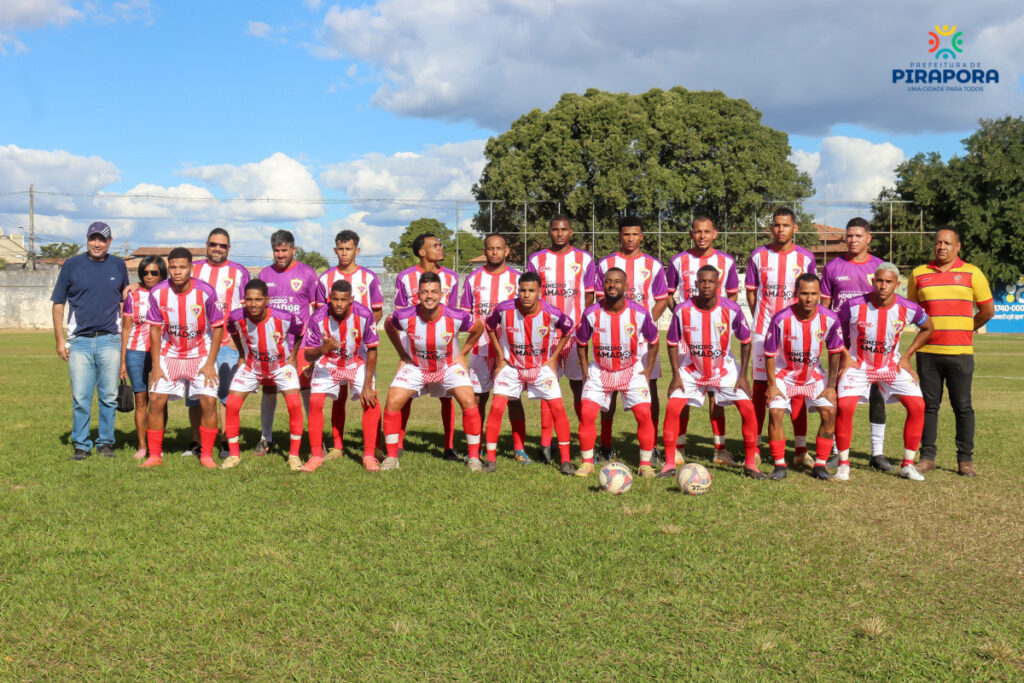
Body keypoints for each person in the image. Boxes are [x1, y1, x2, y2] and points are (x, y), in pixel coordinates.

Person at [907, 226, 994, 477]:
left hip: (960, 353)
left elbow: (987, 311)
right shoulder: (919, 274)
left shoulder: (972, 273)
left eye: (947, 243)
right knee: (928, 406)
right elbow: (913, 310)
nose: (941, 247)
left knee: (963, 406)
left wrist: (967, 328)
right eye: (937, 242)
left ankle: (965, 460)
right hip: (928, 352)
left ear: (958, 247)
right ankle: (927, 456)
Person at [834, 263, 934, 481]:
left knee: (918, 405)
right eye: (879, 280)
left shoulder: (909, 308)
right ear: (873, 281)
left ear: (897, 284)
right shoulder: (852, 305)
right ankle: (843, 465)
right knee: (845, 406)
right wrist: (845, 355)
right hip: (859, 366)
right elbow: (833, 330)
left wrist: (907, 357)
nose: (883, 285)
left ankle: (907, 465)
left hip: (891, 366)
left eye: (889, 282)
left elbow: (929, 328)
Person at [661, 266, 763, 480]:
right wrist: (676, 375)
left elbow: (745, 342)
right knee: (673, 406)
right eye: (702, 282)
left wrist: (743, 375)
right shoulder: (682, 310)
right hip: (692, 370)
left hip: (723, 369)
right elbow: (671, 343)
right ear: (696, 284)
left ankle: (751, 464)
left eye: (711, 282)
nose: (706, 285)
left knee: (747, 408)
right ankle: (670, 463)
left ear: (718, 285)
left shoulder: (731, 309)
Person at [382, 272, 485, 470]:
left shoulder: (456, 316)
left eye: (434, 292)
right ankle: (391, 457)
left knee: (469, 400)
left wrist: (462, 353)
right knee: (393, 400)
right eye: (425, 292)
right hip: (416, 367)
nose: (429, 296)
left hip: (447, 367)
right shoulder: (405, 315)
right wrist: (402, 354)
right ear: (418, 294)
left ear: (441, 294)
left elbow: (478, 327)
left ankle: (473, 458)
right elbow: (388, 324)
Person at [665, 216, 741, 466]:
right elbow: (667, 294)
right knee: (683, 392)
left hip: (716, 337)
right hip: (689, 335)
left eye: (707, 231)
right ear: (691, 234)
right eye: (697, 232)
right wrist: (684, 319)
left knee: (716, 393)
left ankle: (720, 450)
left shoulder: (726, 261)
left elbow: (732, 297)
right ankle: (679, 447)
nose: (702, 236)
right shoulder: (678, 261)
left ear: (715, 233)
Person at [51, 221, 130, 460]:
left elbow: (126, 301)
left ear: (110, 241)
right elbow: (57, 304)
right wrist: (59, 339)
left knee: (108, 396)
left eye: (102, 239)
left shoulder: (119, 265)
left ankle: (105, 442)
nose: (97, 243)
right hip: (80, 342)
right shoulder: (72, 265)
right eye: (93, 238)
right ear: (87, 239)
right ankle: (81, 444)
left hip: (110, 340)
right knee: (81, 397)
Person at [483, 272, 575, 473]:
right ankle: (490, 459)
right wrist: (500, 355)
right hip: (512, 367)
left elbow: (568, 329)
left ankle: (566, 460)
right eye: (522, 290)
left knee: (558, 409)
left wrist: (553, 358)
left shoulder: (552, 312)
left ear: (539, 292)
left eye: (531, 290)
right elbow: (489, 326)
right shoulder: (504, 309)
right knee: (497, 407)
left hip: (541, 367)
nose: (526, 295)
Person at [140, 248, 225, 468]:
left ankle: (206, 455)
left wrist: (209, 363)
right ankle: (155, 455)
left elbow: (218, 328)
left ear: (191, 268)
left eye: (182, 267)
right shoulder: (158, 292)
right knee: (157, 400)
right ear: (169, 268)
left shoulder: (206, 292)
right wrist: (156, 366)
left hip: (200, 354)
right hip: (170, 354)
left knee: (208, 402)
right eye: (173, 267)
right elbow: (156, 331)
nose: (177, 272)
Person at [745, 207, 817, 465]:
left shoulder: (806, 258)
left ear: (795, 228)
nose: (780, 230)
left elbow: (809, 293)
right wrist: (762, 322)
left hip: (796, 333)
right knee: (760, 389)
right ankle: (753, 447)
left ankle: (800, 451)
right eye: (776, 225)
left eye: (785, 225)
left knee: (798, 389)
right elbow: (752, 293)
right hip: (764, 333)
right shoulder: (758, 256)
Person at [595, 216, 669, 463]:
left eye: (635, 234)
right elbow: (599, 298)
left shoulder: (653, 265)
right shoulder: (606, 263)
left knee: (650, 388)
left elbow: (662, 299)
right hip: (611, 337)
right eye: (626, 234)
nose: (630, 238)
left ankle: (653, 446)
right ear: (620, 236)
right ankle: (605, 445)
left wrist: (643, 324)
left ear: (642, 236)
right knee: (609, 391)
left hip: (641, 340)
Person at [574, 268, 660, 477]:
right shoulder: (591, 312)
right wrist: (585, 369)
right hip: (600, 371)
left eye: (617, 281)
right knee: (586, 413)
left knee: (644, 415)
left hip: (631, 371)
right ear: (602, 285)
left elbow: (654, 340)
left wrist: (648, 368)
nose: (612, 285)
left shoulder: (639, 313)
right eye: (608, 281)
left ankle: (645, 465)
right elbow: (581, 342)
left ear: (626, 286)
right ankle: (587, 463)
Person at [820, 218, 890, 471]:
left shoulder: (879, 266)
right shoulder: (832, 267)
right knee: (841, 397)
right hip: (841, 345)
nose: (852, 240)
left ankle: (877, 453)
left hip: (873, 344)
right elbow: (825, 307)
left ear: (868, 238)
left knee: (877, 397)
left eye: (858, 236)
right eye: (849, 236)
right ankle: (839, 451)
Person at [527, 215, 597, 462]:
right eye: (554, 229)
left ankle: (585, 442)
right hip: (547, 337)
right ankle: (546, 445)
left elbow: (589, 297)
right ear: (549, 232)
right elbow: (531, 294)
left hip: (575, 336)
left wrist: (578, 323)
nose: (559, 233)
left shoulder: (585, 259)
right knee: (548, 391)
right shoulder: (536, 260)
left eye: (563, 229)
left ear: (571, 232)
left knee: (581, 390)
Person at [763, 274, 844, 481]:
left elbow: (835, 352)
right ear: (796, 294)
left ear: (820, 294)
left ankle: (820, 464)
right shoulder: (781, 319)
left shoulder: (830, 318)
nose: (809, 298)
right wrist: (772, 385)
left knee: (829, 412)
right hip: (785, 374)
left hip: (813, 374)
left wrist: (831, 386)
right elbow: (770, 354)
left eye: (814, 294)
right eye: (805, 293)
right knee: (775, 412)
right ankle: (779, 465)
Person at [313, 229, 385, 460]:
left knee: (369, 396)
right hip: (333, 348)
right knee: (338, 396)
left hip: (361, 348)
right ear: (335, 250)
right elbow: (318, 312)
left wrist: (363, 334)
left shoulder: (369, 278)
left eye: (349, 249)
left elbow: (377, 310)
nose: (344, 253)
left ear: (357, 250)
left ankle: (376, 447)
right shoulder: (325, 279)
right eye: (341, 249)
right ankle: (337, 446)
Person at [221, 279, 306, 471]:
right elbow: (232, 330)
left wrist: (293, 356)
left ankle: (294, 456)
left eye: (258, 300)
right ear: (244, 300)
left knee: (294, 404)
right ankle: (234, 456)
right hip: (252, 366)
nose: (253, 304)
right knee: (232, 404)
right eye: (249, 300)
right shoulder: (236, 316)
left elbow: (300, 331)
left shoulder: (284, 317)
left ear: (267, 299)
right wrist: (242, 355)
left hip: (281, 366)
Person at [182, 228, 250, 459]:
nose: (217, 248)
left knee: (226, 395)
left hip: (227, 344)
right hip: (197, 344)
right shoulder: (195, 269)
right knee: (197, 397)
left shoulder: (239, 272)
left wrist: (238, 340)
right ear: (206, 245)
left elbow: (244, 309)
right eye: (213, 244)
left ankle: (225, 440)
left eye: (222, 245)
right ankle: (196, 442)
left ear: (228, 248)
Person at [460, 234, 528, 462]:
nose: (495, 252)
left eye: (499, 248)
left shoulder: (517, 278)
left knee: (513, 398)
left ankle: (519, 448)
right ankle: (477, 445)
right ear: (485, 251)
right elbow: (466, 314)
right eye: (491, 249)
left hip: (509, 351)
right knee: (478, 399)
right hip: (480, 348)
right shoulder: (473, 278)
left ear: (507, 251)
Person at [393, 232, 461, 460]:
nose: (440, 248)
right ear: (422, 252)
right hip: (414, 345)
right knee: (405, 394)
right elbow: (399, 315)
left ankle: (449, 446)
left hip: (445, 342)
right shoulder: (405, 277)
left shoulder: (451, 277)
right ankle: (398, 444)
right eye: (435, 245)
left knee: (448, 394)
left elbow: (453, 312)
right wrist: (403, 352)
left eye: (440, 244)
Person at [304, 280, 381, 472]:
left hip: (356, 362)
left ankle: (370, 455)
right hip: (329, 363)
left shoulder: (364, 315)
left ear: (351, 299)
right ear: (330, 298)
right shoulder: (317, 318)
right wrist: (323, 348)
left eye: (343, 300)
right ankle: (315, 456)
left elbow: (372, 350)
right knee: (315, 402)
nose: (339, 304)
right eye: (335, 299)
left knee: (370, 401)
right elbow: (307, 354)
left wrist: (367, 386)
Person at [256, 230, 319, 456]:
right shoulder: (265, 274)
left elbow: (319, 309)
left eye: (284, 250)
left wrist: (316, 339)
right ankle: (266, 438)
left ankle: (315, 439)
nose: (280, 255)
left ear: (294, 249)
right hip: (273, 345)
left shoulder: (308, 273)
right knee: (270, 390)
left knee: (305, 389)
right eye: (276, 250)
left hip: (301, 345)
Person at [120, 256, 167, 460]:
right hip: (136, 351)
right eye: (145, 272)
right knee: (141, 399)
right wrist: (122, 361)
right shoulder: (133, 295)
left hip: (162, 353)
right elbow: (126, 328)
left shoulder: (168, 293)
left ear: (161, 274)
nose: (149, 276)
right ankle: (142, 446)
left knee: (159, 401)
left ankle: (157, 445)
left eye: (154, 272)